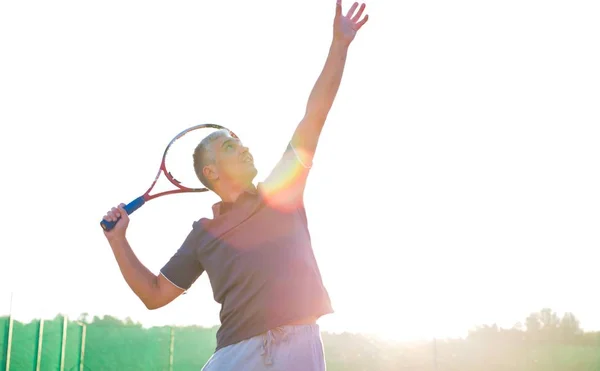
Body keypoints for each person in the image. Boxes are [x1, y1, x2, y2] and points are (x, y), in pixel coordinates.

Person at [101, 1, 369, 369]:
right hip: (235, 356)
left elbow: (315, 114)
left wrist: (339, 45)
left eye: (240, 141)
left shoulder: (280, 192)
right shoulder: (204, 234)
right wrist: (118, 241)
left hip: (297, 349)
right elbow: (155, 295)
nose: (243, 148)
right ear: (210, 172)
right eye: (229, 145)